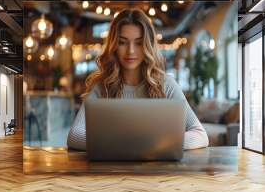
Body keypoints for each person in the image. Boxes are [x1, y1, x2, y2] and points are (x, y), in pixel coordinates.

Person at [67, 8, 208, 150]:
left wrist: (159, 143)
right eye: (122, 42)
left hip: (156, 170)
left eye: (139, 43)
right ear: (114, 45)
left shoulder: (166, 84)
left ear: (148, 44)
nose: (131, 51)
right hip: (113, 170)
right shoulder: (101, 86)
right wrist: (127, 144)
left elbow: (200, 134)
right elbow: (74, 136)